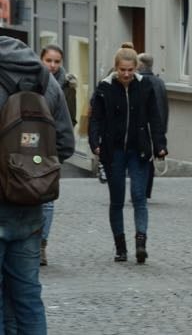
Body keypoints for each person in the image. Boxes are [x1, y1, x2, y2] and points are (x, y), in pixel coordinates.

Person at [0, 36, 75, 333]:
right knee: (28, 297)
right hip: (30, 207)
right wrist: (30, 169)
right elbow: (66, 144)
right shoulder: (45, 78)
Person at [88, 43, 168, 264]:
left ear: (136, 69)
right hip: (113, 151)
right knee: (117, 200)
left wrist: (160, 144)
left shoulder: (145, 87)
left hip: (138, 149)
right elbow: (96, 119)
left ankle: (140, 242)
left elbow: (155, 117)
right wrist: (95, 142)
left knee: (139, 196)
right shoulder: (104, 88)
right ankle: (120, 247)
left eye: (130, 70)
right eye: (122, 70)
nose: (126, 74)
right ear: (116, 68)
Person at [38, 44, 78, 266]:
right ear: (41, 59)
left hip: (51, 149)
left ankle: (41, 244)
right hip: (32, 148)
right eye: (49, 60)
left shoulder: (66, 84)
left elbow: (69, 119)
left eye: (56, 61)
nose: (53, 65)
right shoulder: (33, 79)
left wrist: (60, 153)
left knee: (48, 200)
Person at [137, 53, 168, 199]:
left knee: (141, 159)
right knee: (149, 159)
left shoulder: (140, 81)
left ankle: (141, 190)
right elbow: (165, 107)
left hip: (144, 127)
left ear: (141, 64)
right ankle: (146, 190)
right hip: (157, 127)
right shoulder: (160, 82)